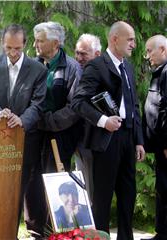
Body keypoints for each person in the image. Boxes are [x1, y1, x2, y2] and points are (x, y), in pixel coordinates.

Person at [72, 21, 145, 239]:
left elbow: (134, 106)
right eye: (129, 39)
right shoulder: (96, 66)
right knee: (102, 196)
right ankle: (99, 237)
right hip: (106, 139)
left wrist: (139, 140)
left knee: (128, 193)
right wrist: (104, 120)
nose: (133, 44)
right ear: (115, 39)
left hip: (128, 137)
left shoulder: (128, 67)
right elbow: (78, 102)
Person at [0, 24, 47, 240]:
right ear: (2, 44)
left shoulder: (38, 70)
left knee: (15, 196)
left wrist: (21, 120)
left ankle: (8, 236)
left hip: (22, 143)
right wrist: (0, 114)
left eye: (17, 48)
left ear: (25, 45)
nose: (13, 53)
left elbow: (39, 103)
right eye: (8, 48)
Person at [22, 21, 81, 238]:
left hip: (60, 135)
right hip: (33, 133)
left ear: (55, 43)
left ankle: (56, 231)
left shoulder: (72, 67)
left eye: (41, 40)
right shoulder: (32, 66)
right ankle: (35, 230)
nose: (36, 44)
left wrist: (49, 121)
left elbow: (75, 107)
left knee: (55, 180)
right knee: (32, 180)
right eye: (35, 40)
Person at [142, 35, 167, 240]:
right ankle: (162, 232)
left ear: (163, 50)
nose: (146, 55)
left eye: (150, 51)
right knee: (162, 188)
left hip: (165, 145)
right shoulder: (160, 72)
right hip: (159, 146)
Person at [74, 33, 102, 202]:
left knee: (93, 187)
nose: (79, 57)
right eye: (77, 52)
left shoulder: (102, 73)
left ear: (97, 54)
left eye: (83, 54)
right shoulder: (75, 70)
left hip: (96, 139)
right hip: (78, 138)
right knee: (81, 184)